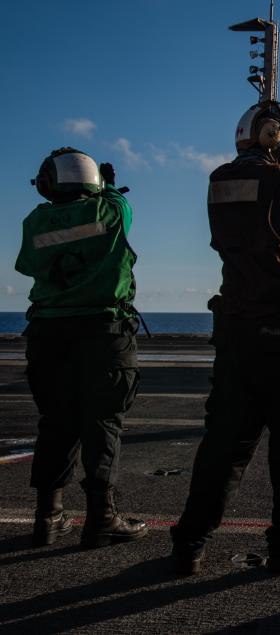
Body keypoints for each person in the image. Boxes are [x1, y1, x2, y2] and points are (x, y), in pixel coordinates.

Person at [170, 100, 280, 574]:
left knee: (225, 443)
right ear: (276, 137)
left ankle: (190, 543)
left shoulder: (219, 181)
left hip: (235, 329)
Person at [16, 148, 147, 548]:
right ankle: (102, 518)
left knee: (56, 423)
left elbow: (27, 265)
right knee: (103, 424)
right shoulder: (110, 212)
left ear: (48, 183)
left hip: (48, 332)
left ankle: (48, 518)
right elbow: (121, 204)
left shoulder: (34, 221)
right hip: (103, 331)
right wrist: (107, 188)